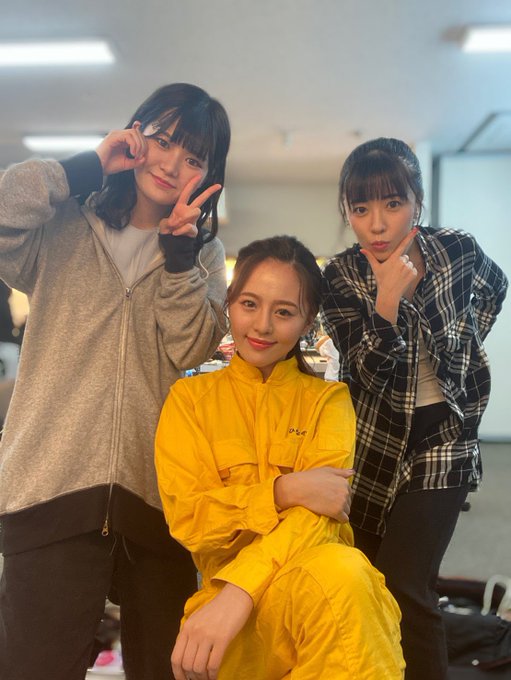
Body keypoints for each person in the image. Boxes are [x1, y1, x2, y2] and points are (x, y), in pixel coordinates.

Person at [0, 82, 230, 680]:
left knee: (166, 669)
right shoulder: (63, 224)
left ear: (209, 177)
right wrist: (84, 168)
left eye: (193, 157)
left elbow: (190, 347)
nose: (171, 164)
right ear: (135, 134)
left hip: (157, 502)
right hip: (51, 487)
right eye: (163, 140)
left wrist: (179, 258)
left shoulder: (204, 257)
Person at [155, 235, 405, 680]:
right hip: (227, 625)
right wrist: (284, 490)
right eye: (249, 304)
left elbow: (321, 517)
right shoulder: (189, 400)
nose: (262, 326)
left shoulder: (328, 401)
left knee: (345, 573)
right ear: (229, 303)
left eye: (284, 312)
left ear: (308, 321)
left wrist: (241, 590)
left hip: (315, 596)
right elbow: (191, 520)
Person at [321, 137, 508, 680]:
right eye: (361, 209)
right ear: (348, 212)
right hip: (375, 442)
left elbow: (494, 289)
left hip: (445, 437)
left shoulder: (457, 249)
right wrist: (386, 303)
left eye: (393, 203)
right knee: (370, 581)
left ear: (417, 204)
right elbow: (366, 375)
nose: (377, 224)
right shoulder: (341, 276)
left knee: (406, 583)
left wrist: (461, 352)